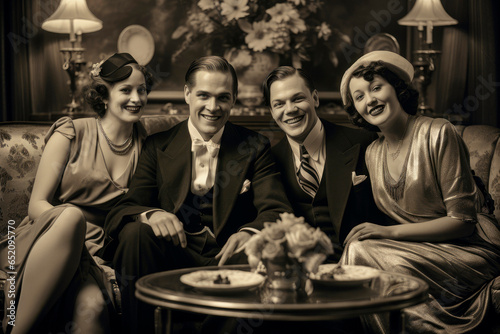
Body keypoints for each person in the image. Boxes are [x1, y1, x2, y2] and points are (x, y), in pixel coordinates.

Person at [102, 55, 292, 333]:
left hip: (229, 258)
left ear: (234, 99)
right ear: (188, 94)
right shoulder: (158, 145)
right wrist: (151, 214)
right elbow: (125, 208)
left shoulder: (255, 145)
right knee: (135, 233)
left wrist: (249, 233)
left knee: (260, 248)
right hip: (173, 258)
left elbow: (276, 210)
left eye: (223, 97)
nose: (213, 107)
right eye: (203, 95)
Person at [339, 50, 500, 332]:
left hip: (469, 250)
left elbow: (463, 223)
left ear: (397, 89)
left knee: (365, 256)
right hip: (418, 253)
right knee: (358, 251)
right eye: (360, 97)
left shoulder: (439, 133)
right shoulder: (372, 155)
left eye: (376, 87)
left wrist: (387, 233)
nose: (371, 100)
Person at [0, 52, 153, 334]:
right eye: (126, 90)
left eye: (141, 90)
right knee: (71, 217)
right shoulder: (71, 131)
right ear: (104, 95)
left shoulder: (150, 145)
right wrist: (73, 242)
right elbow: (37, 205)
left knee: (93, 308)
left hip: (99, 254)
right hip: (49, 238)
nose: (136, 98)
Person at [262, 66, 389, 258]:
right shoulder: (269, 161)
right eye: (279, 104)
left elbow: (390, 211)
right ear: (271, 111)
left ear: (314, 98)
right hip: (301, 270)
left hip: (362, 262)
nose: (290, 110)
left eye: (298, 99)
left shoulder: (363, 142)